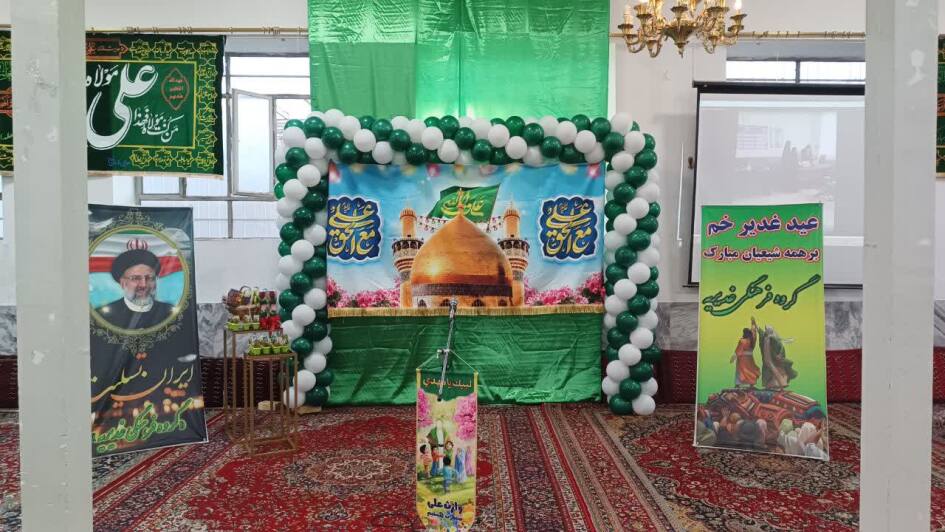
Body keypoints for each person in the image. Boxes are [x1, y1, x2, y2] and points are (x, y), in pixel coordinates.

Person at [96, 241, 173, 330]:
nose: (143, 285)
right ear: (123, 283)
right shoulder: (102, 316)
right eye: (136, 278)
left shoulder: (169, 312)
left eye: (149, 278)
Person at [730, 318, 760, 388]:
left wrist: (733, 357)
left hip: (742, 358)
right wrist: (753, 324)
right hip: (750, 358)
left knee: (740, 371)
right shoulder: (752, 340)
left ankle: (738, 384)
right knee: (751, 370)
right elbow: (754, 333)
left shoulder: (742, 341)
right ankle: (751, 384)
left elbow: (738, 351)